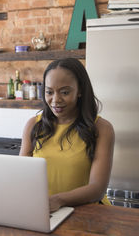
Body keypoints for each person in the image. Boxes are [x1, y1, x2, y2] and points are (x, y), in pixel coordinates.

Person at [20, 58, 115, 212]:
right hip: (45, 212)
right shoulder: (33, 126)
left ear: (80, 91)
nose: (55, 100)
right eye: (49, 92)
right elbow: (21, 176)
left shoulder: (102, 129)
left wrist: (58, 200)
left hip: (89, 214)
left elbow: (97, 189)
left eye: (65, 92)